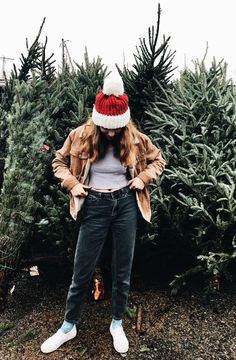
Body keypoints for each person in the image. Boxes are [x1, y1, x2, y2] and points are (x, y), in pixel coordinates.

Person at [40, 74, 166, 355]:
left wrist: (143, 177)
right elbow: (58, 161)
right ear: (97, 121)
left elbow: (159, 159)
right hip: (94, 204)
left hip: (126, 206)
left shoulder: (135, 139)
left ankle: (117, 323)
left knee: (122, 268)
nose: (111, 133)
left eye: (116, 128)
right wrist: (72, 184)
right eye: (106, 128)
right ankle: (68, 326)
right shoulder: (81, 135)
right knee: (81, 269)